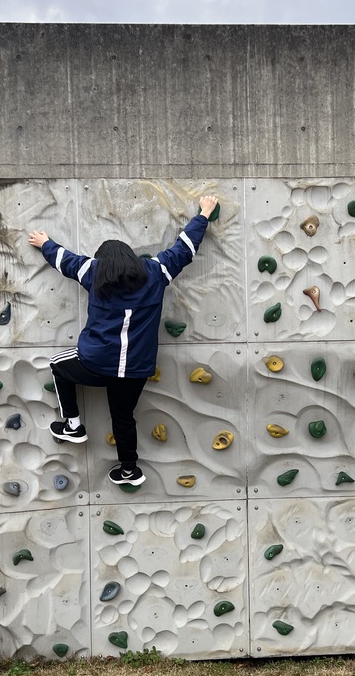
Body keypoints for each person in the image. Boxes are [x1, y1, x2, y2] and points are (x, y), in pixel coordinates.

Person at [29, 195, 220, 487]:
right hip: (136, 369)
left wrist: (45, 243)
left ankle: (73, 425)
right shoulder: (155, 273)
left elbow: (64, 261)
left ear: (102, 262)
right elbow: (184, 248)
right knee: (123, 416)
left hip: (96, 363)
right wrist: (204, 213)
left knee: (58, 366)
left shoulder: (94, 273)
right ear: (132, 258)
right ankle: (129, 469)